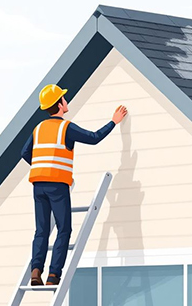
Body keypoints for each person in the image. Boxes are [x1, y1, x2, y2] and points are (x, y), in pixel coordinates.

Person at [21, 84, 128, 286]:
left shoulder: (39, 128)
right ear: (60, 104)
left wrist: (43, 164)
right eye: (64, 98)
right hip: (57, 185)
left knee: (41, 230)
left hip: (38, 184)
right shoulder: (65, 127)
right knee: (64, 229)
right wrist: (113, 122)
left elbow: (25, 153)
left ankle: (36, 271)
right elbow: (94, 138)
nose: (66, 101)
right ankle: (53, 275)